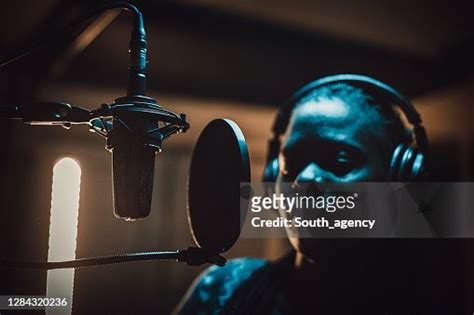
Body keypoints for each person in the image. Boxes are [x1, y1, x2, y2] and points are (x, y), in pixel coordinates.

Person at [174, 75, 467, 314]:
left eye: (340, 161)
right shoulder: (223, 290)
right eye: (292, 164)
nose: (305, 179)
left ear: (400, 179)